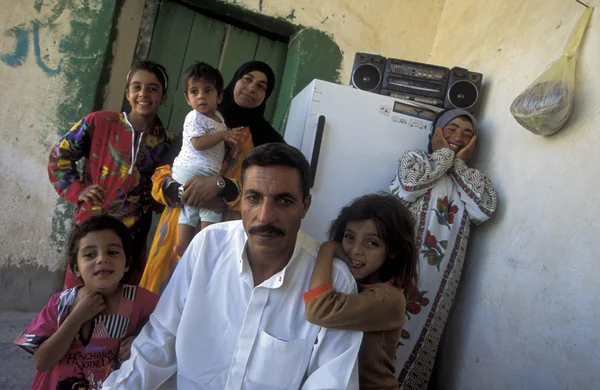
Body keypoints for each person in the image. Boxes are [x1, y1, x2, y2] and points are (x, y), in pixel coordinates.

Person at [102, 143, 362, 389]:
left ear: (305, 206)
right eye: (254, 198)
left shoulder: (335, 282)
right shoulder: (208, 246)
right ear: (240, 202)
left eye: (284, 201)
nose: (265, 216)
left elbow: (331, 381)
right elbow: (160, 340)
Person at [140, 60, 284, 294]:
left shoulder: (269, 141)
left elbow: (272, 194)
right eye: (246, 79)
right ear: (232, 83)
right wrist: (185, 192)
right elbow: (159, 177)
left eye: (261, 86)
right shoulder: (201, 119)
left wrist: (222, 187)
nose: (252, 87)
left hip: (224, 239)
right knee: (156, 306)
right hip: (176, 230)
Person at [389, 108, 498, 389]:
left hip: (436, 290)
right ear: (436, 132)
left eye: (467, 133)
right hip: (396, 274)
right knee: (382, 337)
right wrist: (444, 156)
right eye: (451, 129)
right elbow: (410, 186)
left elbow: (483, 209)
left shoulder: (471, 180)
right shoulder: (414, 160)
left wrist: (459, 166)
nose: (458, 137)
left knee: (417, 344)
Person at [48, 61, 173, 288]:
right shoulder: (99, 122)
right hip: (91, 225)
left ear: (163, 97)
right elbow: (59, 157)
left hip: (133, 232)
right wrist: (78, 190)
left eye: (153, 88)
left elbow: (166, 184)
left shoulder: (167, 142)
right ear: (128, 93)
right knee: (79, 292)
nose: (143, 94)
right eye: (137, 87)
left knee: (122, 296)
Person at [14, 216, 159, 390]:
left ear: (127, 263)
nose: (101, 259)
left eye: (112, 252)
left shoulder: (143, 301)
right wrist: (76, 318)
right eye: (90, 254)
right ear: (76, 268)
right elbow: (42, 362)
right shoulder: (60, 304)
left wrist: (141, 341)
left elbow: (166, 334)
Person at [304, 193, 418, 390]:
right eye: (349, 237)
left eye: (372, 242)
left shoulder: (388, 299)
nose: (355, 250)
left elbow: (318, 309)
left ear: (393, 250)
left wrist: (327, 248)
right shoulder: (352, 284)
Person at [171, 61, 244, 256]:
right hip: (191, 168)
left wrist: (229, 144)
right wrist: (223, 136)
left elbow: (217, 143)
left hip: (206, 170)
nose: (201, 96)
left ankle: (188, 243)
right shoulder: (195, 117)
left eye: (207, 90)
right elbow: (198, 143)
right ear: (187, 98)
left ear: (219, 96)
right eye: (194, 92)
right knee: (203, 208)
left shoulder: (219, 118)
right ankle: (193, 243)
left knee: (196, 208)